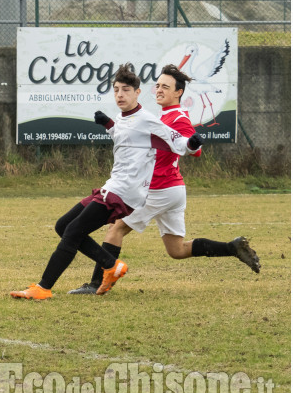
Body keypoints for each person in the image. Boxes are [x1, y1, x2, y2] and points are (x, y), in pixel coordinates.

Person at [10, 63, 203, 300]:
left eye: (125, 90)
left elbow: (176, 140)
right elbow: (124, 135)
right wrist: (108, 125)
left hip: (124, 192)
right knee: (63, 226)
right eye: (116, 90)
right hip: (113, 185)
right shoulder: (124, 117)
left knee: (73, 231)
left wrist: (192, 144)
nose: (120, 95)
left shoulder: (148, 120)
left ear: (137, 93)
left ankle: (43, 288)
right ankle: (110, 265)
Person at [69, 64, 261, 295]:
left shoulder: (177, 117)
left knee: (116, 228)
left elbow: (193, 148)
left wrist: (191, 143)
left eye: (165, 86)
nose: (159, 90)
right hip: (172, 189)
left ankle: (95, 284)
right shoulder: (164, 116)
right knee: (177, 250)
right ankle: (232, 247)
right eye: (158, 85)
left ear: (178, 92)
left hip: (158, 188)